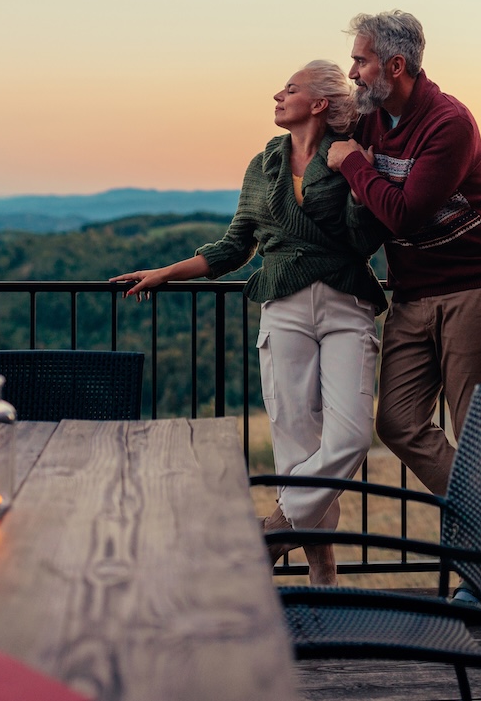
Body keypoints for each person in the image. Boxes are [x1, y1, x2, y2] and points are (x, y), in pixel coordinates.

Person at [111, 60, 387, 586]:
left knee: (351, 437)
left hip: (345, 303)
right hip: (281, 305)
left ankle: (275, 530)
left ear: (320, 103)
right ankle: (323, 576)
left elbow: (362, 239)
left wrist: (359, 178)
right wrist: (167, 272)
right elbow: (236, 245)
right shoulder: (264, 165)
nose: (278, 95)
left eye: (291, 88)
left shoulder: (347, 158)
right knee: (296, 445)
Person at [326, 9, 481, 607]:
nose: (353, 70)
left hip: (474, 287)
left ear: (395, 66)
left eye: (362, 60)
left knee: (474, 433)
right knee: (396, 420)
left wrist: (354, 166)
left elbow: (404, 213)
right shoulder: (371, 119)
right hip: (413, 293)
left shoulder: (450, 123)